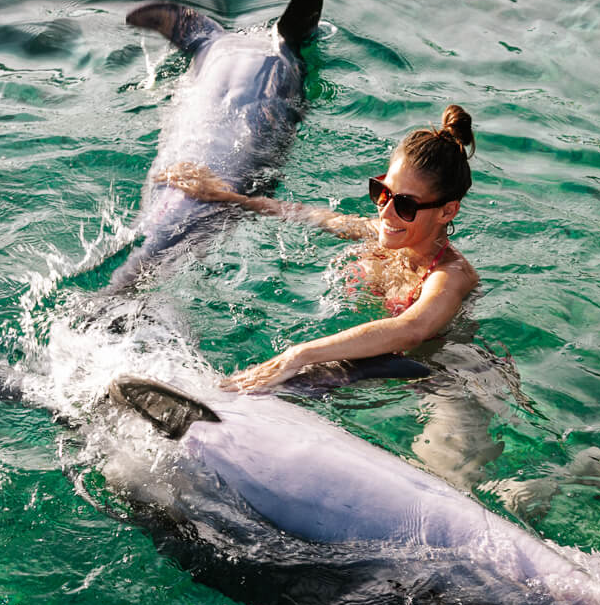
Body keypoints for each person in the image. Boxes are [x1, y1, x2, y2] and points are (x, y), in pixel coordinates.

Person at [158, 104, 479, 392]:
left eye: (406, 205)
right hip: (383, 368)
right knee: (296, 377)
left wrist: (298, 354)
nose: (385, 212)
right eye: (383, 193)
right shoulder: (384, 232)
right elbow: (310, 215)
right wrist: (229, 198)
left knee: (301, 372)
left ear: (447, 212)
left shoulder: (450, 275)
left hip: (450, 378)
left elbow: (412, 329)